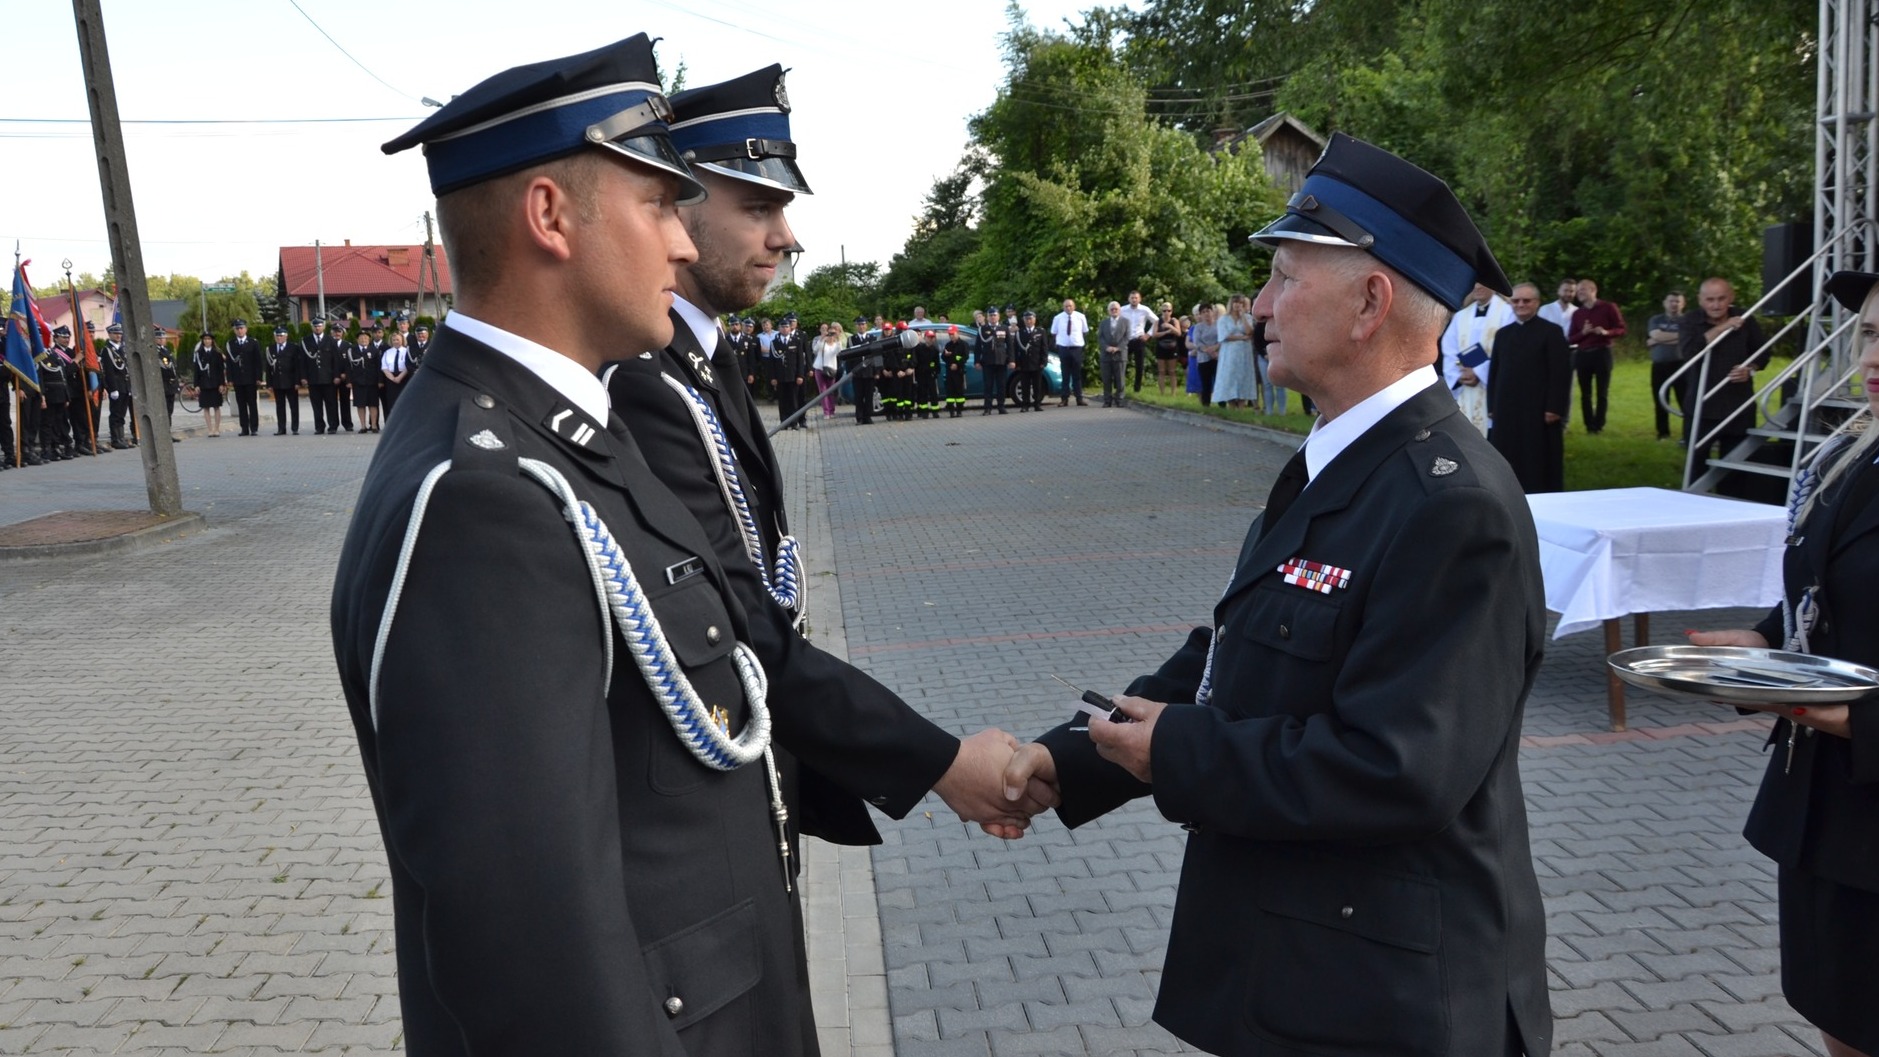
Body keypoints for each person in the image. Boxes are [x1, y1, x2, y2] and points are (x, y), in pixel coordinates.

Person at [339, 39, 1045, 1055]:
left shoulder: (567, 435)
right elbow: (531, 949)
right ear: (549, 217)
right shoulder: (481, 497)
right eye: (660, 204)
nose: (682, 246)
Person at [1002, 132, 1552, 1057]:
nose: (1257, 306)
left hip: (1389, 1006)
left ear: (1369, 302)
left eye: (1284, 278)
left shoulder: (1451, 505)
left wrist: (1173, 749)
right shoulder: (1339, 459)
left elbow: (1396, 769)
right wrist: (1069, 759)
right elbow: (1237, 652)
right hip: (1312, 973)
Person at [1686, 268, 1879, 1057]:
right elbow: (1831, 591)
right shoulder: (1856, 452)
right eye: (1869, 333)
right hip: (1828, 813)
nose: (1873, 356)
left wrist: (1843, 714)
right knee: (1839, 1015)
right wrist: (1762, 644)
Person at [1679, 277, 1767, 480]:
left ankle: (1731, 497)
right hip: (1701, 405)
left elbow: (1763, 353)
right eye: (1710, 300)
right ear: (1700, 300)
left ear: (1731, 297)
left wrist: (1750, 369)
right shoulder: (1690, 320)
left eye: (1721, 299)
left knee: (1735, 470)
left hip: (1738, 405)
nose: (1716, 305)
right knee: (1695, 466)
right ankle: (1695, 498)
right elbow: (1689, 352)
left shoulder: (1746, 318)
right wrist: (1723, 327)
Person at [1487, 283, 1573, 493]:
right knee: (1507, 452)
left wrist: (1554, 407)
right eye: (1516, 301)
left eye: (1526, 301)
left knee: (1538, 456)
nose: (1521, 305)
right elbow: (1494, 372)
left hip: (1539, 408)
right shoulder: (1503, 334)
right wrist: (1492, 405)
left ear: (1537, 303)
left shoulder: (1551, 332)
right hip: (1507, 407)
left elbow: (1560, 374)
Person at [1440, 282, 1517, 435]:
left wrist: (1479, 372)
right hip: (1464, 385)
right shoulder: (1461, 316)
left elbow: (1508, 351)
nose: (1478, 287)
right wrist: (1460, 373)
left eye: (1483, 284)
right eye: (1475, 284)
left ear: (1494, 286)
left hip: (1492, 386)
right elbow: (1449, 349)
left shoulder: (1507, 313)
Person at [1566, 277, 1625, 434]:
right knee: (1585, 394)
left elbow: (1621, 329)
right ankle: (1589, 426)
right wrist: (1583, 333)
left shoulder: (1608, 308)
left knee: (1602, 392)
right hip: (1583, 355)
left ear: (1593, 290)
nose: (1579, 293)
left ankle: (1599, 424)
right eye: (1578, 291)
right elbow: (1571, 338)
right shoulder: (1578, 313)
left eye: (1582, 290)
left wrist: (1606, 332)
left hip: (1602, 353)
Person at [1647, 291, 1688, 441]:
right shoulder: (1656, 319)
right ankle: (1663, 433)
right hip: (1659, 365)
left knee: (1685, 400)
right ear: (1665, 303)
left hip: (1681, 366)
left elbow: (1688, 338)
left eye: (1677, 301)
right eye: (1671, 301)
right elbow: (1655, 335)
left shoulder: (1687, 320)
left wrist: (1660, 339)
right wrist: (1679, 337)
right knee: (1660, 399)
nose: (1674, 304)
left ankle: (1688, 433)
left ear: (1683, 304)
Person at [1211, 294, 1256, 409]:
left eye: (1240, 303)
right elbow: (1224, 336)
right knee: (1229, 376)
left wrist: (1243, 316)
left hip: (1244, 352)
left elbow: (1249, 332)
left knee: (1243, 376)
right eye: (1236, 302)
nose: (1238, 305)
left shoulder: (1248, 317)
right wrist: (1242, 337)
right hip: (1229, 352)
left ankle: (1241, 405)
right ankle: (1231, 404)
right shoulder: (1224, 319)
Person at [100, 321, 136, 448]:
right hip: (116, 386)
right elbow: (109, 371)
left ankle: (121, 438)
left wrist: (130, 386)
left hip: (125, 386)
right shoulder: (107, 350)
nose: (118, 336)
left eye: (120, 333)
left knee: (122, 414)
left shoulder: (122, 349)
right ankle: (115, 439)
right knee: (115, 413)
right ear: (109, 334)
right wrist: (113, 388)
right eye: (115, 333)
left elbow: (127, 369)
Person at [226, 318, 263, 437]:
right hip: (238, 379)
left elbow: (258, 361)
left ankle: (254, 428)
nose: (239, 330)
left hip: (251, 379)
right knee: (241, 405)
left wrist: (258, 377)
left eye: (241, 328)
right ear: (234, 330)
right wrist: (230, 379)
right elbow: (229, 363)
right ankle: (244, 428)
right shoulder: (231, 344)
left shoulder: (253, 342)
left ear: (246, 329)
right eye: (237, 328)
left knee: (252, 404)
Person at [302, 319, 340, 435]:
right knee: (316, 405)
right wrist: (304, 377)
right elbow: (302, 361)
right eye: (315, 326)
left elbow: (336, 360)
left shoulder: (330, 340)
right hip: (313, 378)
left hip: (328, 378)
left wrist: (336, 375)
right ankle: (319, 427)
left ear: (323, 327)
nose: (317, 328)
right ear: (312, 327)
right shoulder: (306, 341)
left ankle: (333, 426)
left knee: (331, 403)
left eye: (319, 326)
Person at [1049, 298, 1088, 406]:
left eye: (1070, 306)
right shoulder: (1058, 318)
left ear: (1074, 307)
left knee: (1077, 374)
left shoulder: (1081, 317)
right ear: (1063, 307)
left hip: (1076, 348)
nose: (1068, 308)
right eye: (1066, 306)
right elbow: (1053, 332)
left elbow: (1085, 331)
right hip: (1064, 348)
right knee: (1065, 374)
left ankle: (1079, 398)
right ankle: (1064, 399)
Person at [347, 325, 383, 433]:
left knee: (373, 404)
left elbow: (379, 367)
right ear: (357, 339)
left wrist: (380, 381)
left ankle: (374, 425)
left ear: (369, 339)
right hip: (358, 382)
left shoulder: (374, 350)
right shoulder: (352, 350)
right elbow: (348, 367)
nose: (364, 339)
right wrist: (349, 381)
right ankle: (363, 426)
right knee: (360, 404)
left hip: (372, 382)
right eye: (361, 338)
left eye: (366, 338)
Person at [977, 306, 1012, 414]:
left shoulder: (1004, 328)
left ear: (998, 316)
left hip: (1001, 361)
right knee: (988, 385)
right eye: (990, 315)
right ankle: (987, 408)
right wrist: (977, 361)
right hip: (987, 361)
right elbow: (978, 346)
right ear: (987, 317)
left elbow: (1010, 345)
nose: (992, 317)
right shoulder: (983, 329)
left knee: (1001, 385)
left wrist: (1011, 360)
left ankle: (1001, 406)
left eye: (994, 315)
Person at [191, 333, 228, 436]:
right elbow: (196, 371)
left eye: (209, 339)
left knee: (216, 406)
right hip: (203, 384)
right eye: (205, 339)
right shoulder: (198, 354)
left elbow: (221, 370)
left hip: (215, 384)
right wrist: (196, 385)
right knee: (205, 407)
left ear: (212, 341)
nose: (207, 341)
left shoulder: (217, 353)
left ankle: (216, 429)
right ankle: (210, 429)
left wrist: (222, 384)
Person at [1119, 289, 1154, 393]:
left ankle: (1137, 389)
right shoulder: (1122, 310)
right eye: (1132, 298)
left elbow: (1156, 321)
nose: (1134, 300)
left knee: (1139, 365)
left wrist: (1148, 334)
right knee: (1121, 363)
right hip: (1126, 340)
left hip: (1139, 339)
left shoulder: (1145, 310)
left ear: (1140, 299)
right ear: (1129, 299)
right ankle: (1119, 386)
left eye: (1136, 298)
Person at [1096, 300, 1128, 408]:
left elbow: (1127, 337)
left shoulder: (1126, 322)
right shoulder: (1103, 323)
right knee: (1106, 379)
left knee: (1120, 379)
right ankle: (1107, 400)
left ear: (1119, 310)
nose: (1114, 310)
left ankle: (1120, 400)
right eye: (1112, 309)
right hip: (1106, 355)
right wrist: (1107, 347)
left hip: (1120, 354)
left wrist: (1118, 348)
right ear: (1108, 311)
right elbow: (1100, 338)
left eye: (1116, 309)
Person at [1014, 309, 1047, 411]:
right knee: (1025, 385)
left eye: (1030, 319)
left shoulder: (1040, 331)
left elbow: (1044, 348)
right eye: (1026, 319)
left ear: (1034, 319)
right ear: (1024, 320)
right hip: (1024, 363)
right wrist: (1017, 363)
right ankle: (1025, 405)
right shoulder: (1020, 332)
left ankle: (1037, 404)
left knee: (1037, 385)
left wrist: (1043, 361)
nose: (1028, 321)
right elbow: (1016, 349)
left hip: (1037, 362)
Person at [1189, 303, 1219, 407]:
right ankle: (1206, 404)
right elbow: (1197, 342)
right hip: (1203, 358)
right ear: (1200, 314)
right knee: (1206, 382)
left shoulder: (1219, 325)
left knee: (1219, 381)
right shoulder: (1198, 327)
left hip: (1218, 357)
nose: (1206, 314)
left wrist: (1215, 348)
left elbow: (1222, 339)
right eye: (1203, 312)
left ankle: (1222, 403)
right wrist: (1208, 350)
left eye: (1208, 311)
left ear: (1212, 312)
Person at [1151, 301, 1183, 396]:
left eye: (1168, 310)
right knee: (1161, 371)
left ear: (1171, 311)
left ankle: (1173, 393)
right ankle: (1162, 393)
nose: (1166, 313)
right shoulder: (1158, 322)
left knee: (1172, 371)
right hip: (1161, 347)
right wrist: (1165, 332)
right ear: (1161, 311)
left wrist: (1170, 327)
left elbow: (1179, 333)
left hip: (1172, 347)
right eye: (1164, 310)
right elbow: (1154, 334)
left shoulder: (1174, 321)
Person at [813, 321, 843, 418]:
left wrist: (837, 338)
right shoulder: (823, 343)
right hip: (820, 368)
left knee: (831, 391)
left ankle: (832, 410)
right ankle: (826, 412)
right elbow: (815, 350)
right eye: (829, 333)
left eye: (832, 334)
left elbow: (838, 351)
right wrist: (822, 339)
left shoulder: (836, 344)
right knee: (823, 391)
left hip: (831, 369)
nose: (831, 336)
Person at [380, 332, 411, 417]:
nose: (396, 341)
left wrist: (399, 378)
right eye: (394, 340)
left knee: (404, 402)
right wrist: (393, 378)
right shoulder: (387, 352)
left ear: (402, 340)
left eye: (398, 339)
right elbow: (384, 367)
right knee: (392, 402)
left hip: (404, 378)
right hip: (391, 379)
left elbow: (408, 366)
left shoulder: (407, 351)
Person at [913, 326, 942, 418]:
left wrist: (936, 372)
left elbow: (937, 363)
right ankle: (924, 412)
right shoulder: (919, 349)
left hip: (931, 375)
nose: (930, 339)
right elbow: (916, 362)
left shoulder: (935, 350)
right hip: (921, 375)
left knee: (933, 394)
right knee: (923, 394)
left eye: (932, 337)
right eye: (928, 337)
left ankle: (935, 411)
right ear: (925, 338)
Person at [942, 323, 970, 417]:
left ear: (957, 333)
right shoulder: (948, 345)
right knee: (949, 392)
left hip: (959, 371)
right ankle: (951, 410)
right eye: (949, 334)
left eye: (952, 334)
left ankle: (959, 410)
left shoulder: (963, 344)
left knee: (959, 391)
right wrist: (946, 355)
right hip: (949, 372)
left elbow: (965, 357)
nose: (951, 336)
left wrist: (957, 364)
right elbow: (943, 357)